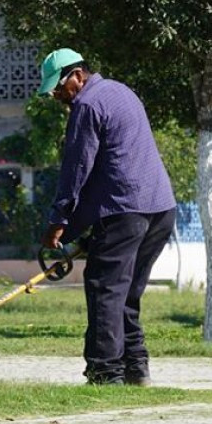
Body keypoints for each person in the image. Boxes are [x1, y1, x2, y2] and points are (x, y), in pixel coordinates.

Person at [38, 48, 177, 386]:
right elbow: (111, 164)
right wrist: (84, 229)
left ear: (77, 76)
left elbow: (77, 169)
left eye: (58, 88)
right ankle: (135, 368)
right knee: (126, 292)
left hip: (125, 209)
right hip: (160, 208)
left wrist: (58, 222)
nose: (57, 96)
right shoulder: (120, 90)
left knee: (105, 288)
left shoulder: (87, 105)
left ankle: (105, 372)